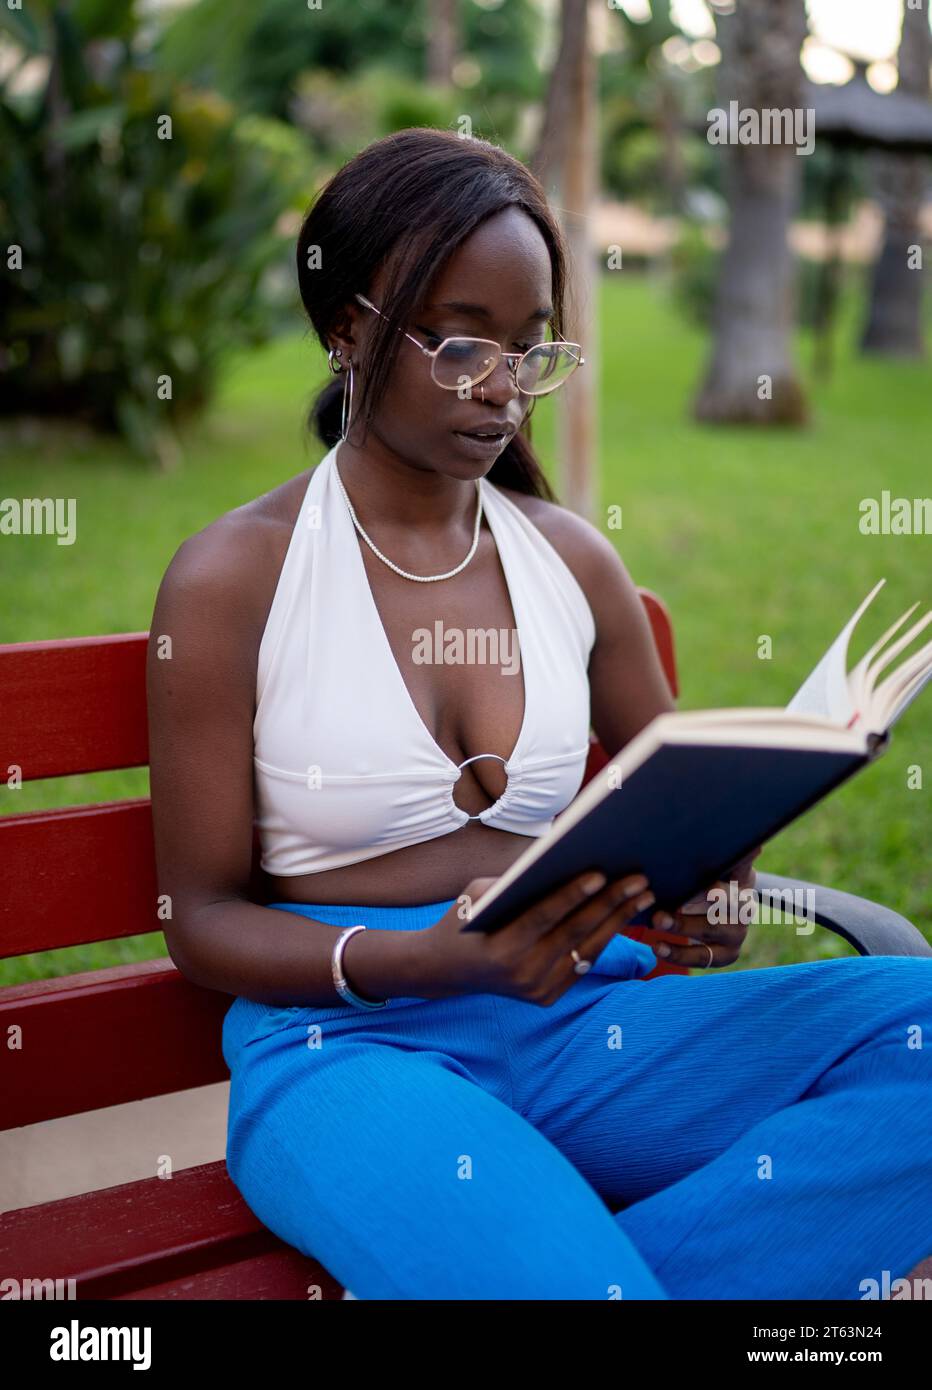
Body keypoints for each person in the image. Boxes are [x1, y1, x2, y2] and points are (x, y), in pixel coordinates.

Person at [146, 127, 932, 1301]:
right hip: (353, 1051)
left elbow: (690, 815)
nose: (502, 385)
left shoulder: (569, 562)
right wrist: (420, 957)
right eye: (460, 340)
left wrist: (706, 893)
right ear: (347, 328)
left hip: (587, 1031)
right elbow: (199, 916)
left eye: (528, 348)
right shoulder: (232, 581)